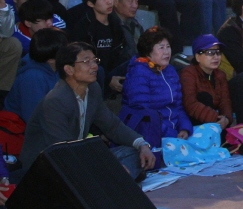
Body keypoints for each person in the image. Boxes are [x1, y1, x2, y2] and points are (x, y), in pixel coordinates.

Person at [20, 41, 155, 180]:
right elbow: (61, 150)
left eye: (95, 60)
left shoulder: (93, 88)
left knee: (133, 152)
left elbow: (112, 126)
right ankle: (115, 179)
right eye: (86, 61)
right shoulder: (55, 100)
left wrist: (142, 145)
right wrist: (103, 166)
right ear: (69, 69)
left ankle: (115, 179)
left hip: (78, 158)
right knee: (110, 168)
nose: (94, 66)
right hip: (48, 166)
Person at [119, 26, 193, 149]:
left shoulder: (170, 70)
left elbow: (178, 106)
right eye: (161, 47)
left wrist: (184, 128)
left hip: (174, 132)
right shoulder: (139, 72)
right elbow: (143, 113)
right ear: (148, 51)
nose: (167, 52)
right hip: (150, 134)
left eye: (168, 47)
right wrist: (171, 134)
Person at [4, 27, 68, 123]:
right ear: (50, 59)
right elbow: (34, 118)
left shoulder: (58, 69)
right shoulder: (33, 77)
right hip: (23, 132)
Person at [179, 34, 233, 128]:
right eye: (210, 53)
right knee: (204, 97)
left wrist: (226, 118)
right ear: (197, 57)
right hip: (194, 122)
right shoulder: (188, 73)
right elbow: (190, 103)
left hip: (216, 121)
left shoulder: (220, 75)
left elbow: (225, 101)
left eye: (218, 52)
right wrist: (216, 119)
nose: (216, 57)